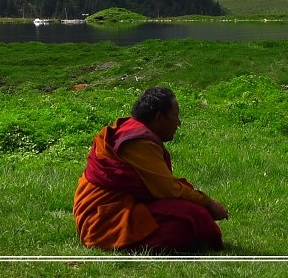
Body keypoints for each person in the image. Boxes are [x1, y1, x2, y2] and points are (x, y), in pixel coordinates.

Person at [73, 86, 228, 252]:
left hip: (115, 209)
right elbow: (169, 190)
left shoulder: (134, 130)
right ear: (159, 117)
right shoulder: (139, 142)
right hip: (101, 221)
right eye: (175, 116)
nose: (178, 122)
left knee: (191, 213)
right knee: (189, 218)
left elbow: (160, 186)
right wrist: (209, 204)